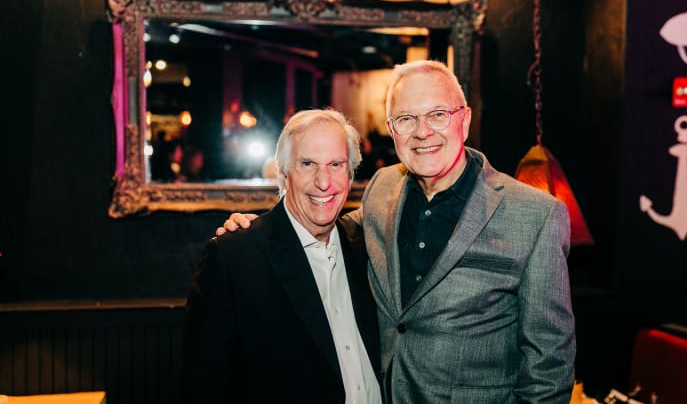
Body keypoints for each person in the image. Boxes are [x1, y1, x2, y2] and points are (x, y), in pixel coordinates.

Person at [219, 60, 576, 403]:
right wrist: (262, 230)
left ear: (464, 121)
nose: (422, 132)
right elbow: (331, 226)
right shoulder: (384, 187)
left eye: (438, 115)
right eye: (406, 119)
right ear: (392, 130)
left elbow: (549, 366)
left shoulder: (535, 216)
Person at [183, 109, 382, 403]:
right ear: (284, 173)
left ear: (350, 174)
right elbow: (203, 386)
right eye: (307, 164)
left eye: (336, 164)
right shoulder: (234, 257)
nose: (324, 182)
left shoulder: (366, 247)